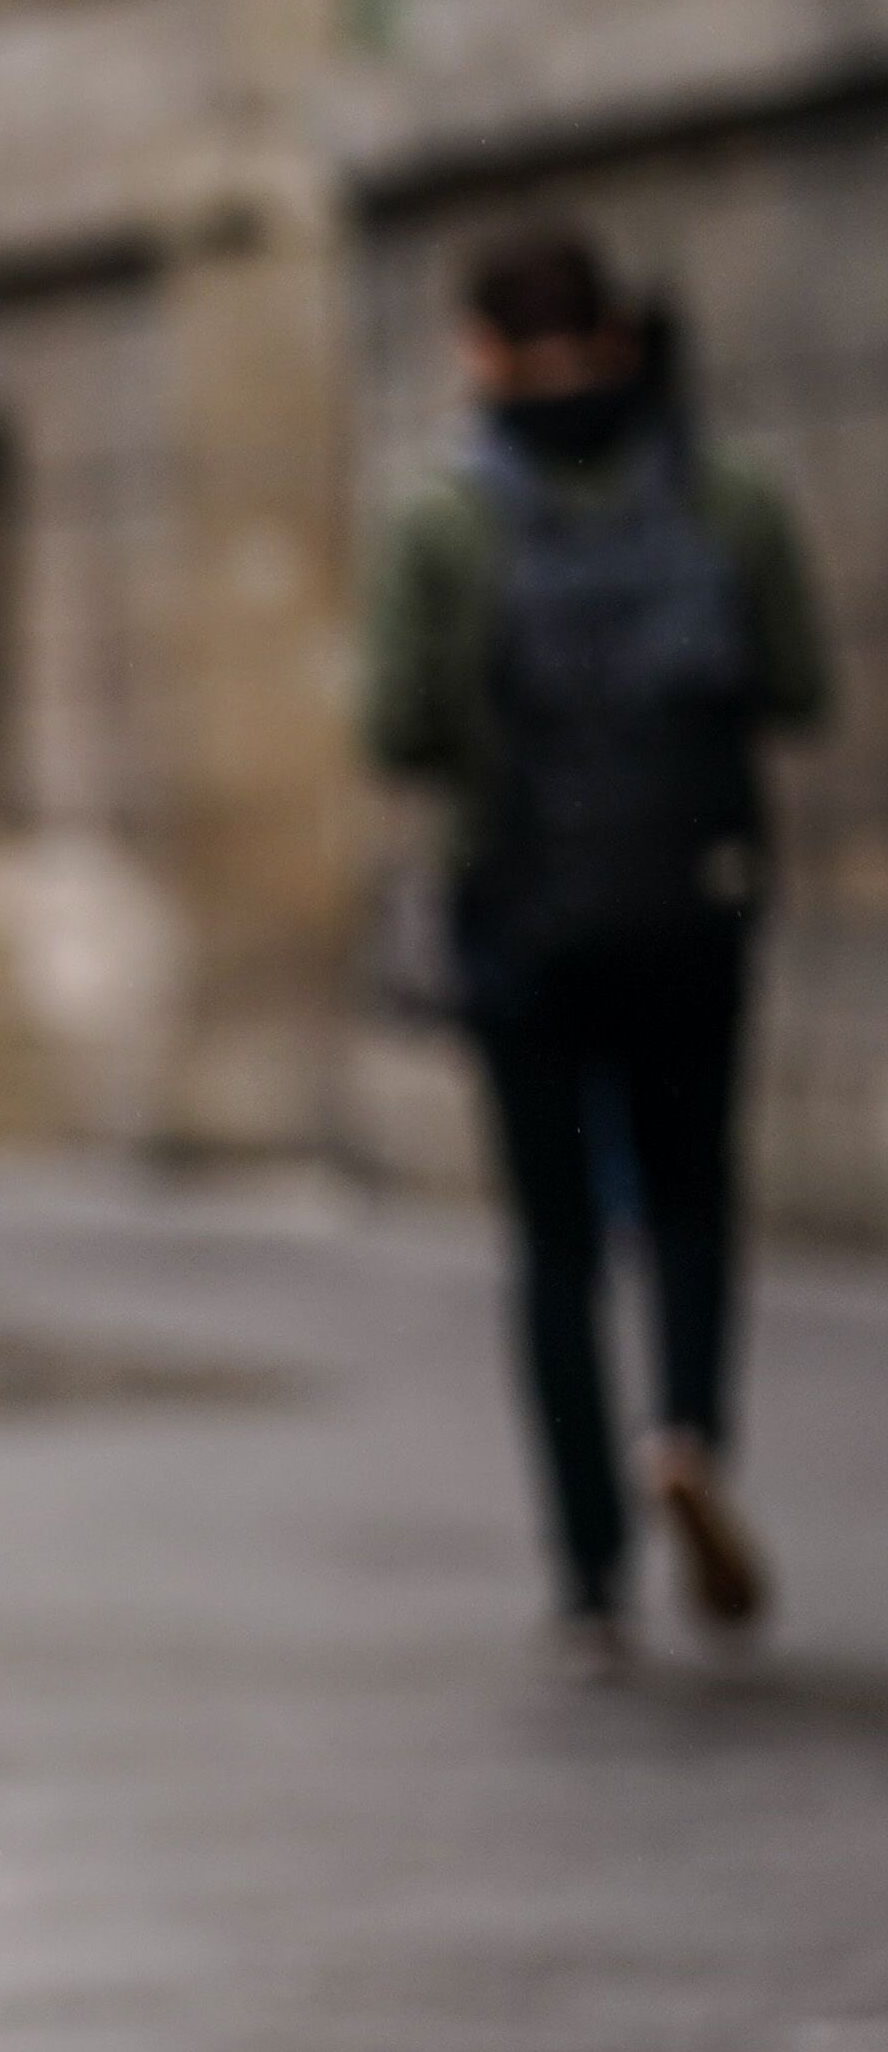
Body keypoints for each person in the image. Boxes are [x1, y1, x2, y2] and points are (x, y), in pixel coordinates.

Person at [366, 223, 827, 1663]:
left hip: (524, 912)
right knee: (692, 1195)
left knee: (556, 1240)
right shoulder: (725, 490)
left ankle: (588, 1574)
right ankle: (684, 1428)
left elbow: (399, 725)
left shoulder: (449, 516)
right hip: (692, 898)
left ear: (483, 350)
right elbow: (797, 686)